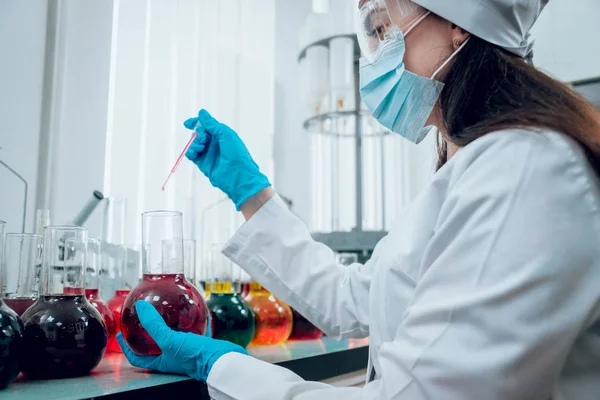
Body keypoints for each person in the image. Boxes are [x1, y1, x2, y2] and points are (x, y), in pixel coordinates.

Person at [117, 0, 600, 398]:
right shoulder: (473, 167)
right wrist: (251, 194)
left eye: (381, 27)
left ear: (458, 23)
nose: (372, 57)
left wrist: (224, 367)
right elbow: (355, 300)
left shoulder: (522, 168)